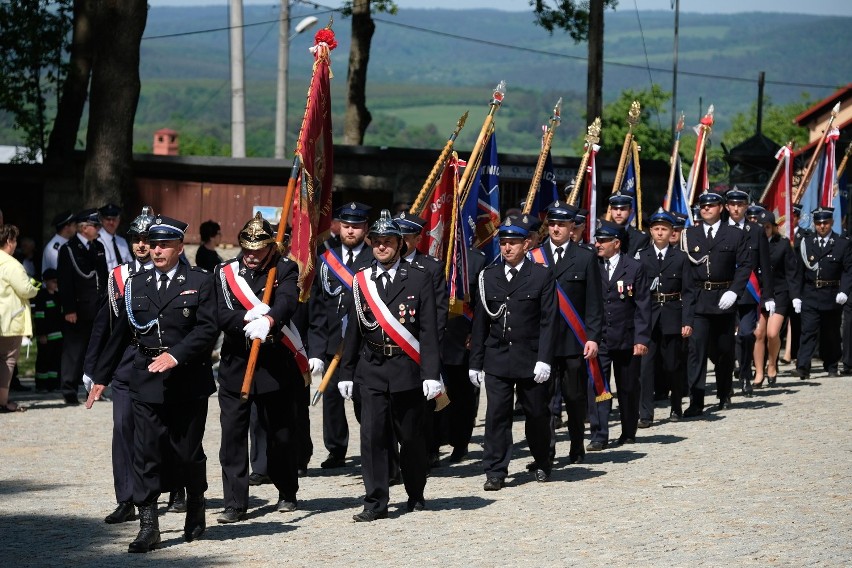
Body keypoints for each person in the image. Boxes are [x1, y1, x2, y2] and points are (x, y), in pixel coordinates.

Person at [88, 215, 218, 552]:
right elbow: (122, 333)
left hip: (187, 379)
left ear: (179, 247)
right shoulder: (136, 283)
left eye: (164, 244)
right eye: (153, 244)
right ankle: (149, 526)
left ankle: (196, 505)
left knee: (187, 452)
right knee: (145, 453)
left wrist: (176, 355)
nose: (156, 250)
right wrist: (101, 377)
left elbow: (207, 329)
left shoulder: (201, 281)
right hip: (146, 378)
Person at [338, 210, 441, 521]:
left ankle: (415, 492)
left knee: (410, 438)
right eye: (377, 242)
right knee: (372, 439)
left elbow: (429, 331)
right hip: (371, 369)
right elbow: (354, 329)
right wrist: (346, 371)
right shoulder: (361, 280)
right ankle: (375, 502)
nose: (381, 247)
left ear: (400, 245)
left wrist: (432, 374)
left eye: (388, 242)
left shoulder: (420, 279)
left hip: (406, 369)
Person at [213, 213, 305, 522]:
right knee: (232, 436)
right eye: (247, 250)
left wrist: (268, 319)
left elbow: (288, 301)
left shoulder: (285, 269)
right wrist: (245, 319)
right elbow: (219, 313)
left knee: (280, 435)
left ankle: (286, 489)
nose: (252, 256)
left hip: (274, 367)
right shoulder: (225, 273)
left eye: (258, 250)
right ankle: (235, 503)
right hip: (236, 365)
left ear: (270, 247)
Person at [469, 215, 556, 489]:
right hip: (497, 357)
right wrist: (476, 362)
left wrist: (544, 359)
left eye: (513, 243)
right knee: (496, 415)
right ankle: (495, 470)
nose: (507, 248)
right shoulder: (488, 276)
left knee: (537, 414)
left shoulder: (541, 275)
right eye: (503, 243)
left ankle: (542, 459)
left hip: (529, 358)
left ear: (527, 244)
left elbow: (548, 321)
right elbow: (481, 322)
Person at [83, 207, 157, 525]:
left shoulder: (174, 273)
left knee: (162, 431)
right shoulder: (119, 276)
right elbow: (105, 324)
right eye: (136, 240)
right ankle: (126, 498)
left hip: (159, 361)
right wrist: (92, 368)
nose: (141, 245)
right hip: (125, 362)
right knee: (123, 428)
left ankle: (177, 487)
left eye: (146, 239)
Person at [528, 200, 602, 465]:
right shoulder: (534, 256)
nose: (556, 228)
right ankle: (545, 452)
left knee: (574, 397)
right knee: (543, 400)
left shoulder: (585, 257)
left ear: (573, 227)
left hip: (574, 341)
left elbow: (594, 301)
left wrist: (593, 337)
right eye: (552, 224)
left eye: (562, 224)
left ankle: (577, 445)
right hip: (543, 343)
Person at [308, 202, 374, 469]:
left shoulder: (376, 258)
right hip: (334, 344)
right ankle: (336, 449)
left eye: (356, 226)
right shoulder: (326, 261)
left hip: (365, 346)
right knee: (332, 402)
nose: (350, 231)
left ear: (366, 229)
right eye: (346, 226)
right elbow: (318, 311)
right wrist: (316, 350)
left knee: (365, 400)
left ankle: (374, 446)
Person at [681, 190, 750, 415]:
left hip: (724, 299)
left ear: (721, 208)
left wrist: (734, 292)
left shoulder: (734, 234)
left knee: (724, 349)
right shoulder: (689, 234)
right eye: (702, 206)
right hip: (699, 300)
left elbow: (745, 266)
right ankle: (696, 400)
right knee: (696, 351)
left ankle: (724, 392)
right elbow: (687, 272)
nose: (706, 209)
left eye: (711, 206)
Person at [590, 220, 651, 446]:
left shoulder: (634, 267)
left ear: (616, 243)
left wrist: (642, 339)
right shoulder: (593, 264)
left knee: (628, 387)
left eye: (603, 240)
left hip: (627, 338)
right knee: (598, 386)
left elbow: (643, 306)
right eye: (597, 240)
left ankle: (628, 431)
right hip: (600, 338)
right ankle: (599, 435)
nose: (598, 244)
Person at [637, 209, 695, 424]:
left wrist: (687, 321)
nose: (660, 233)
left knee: (673, 366)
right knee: (645, 367)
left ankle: (676, 406)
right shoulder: (642, 257)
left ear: (672, 232)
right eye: (656, 229)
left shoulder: (680, 258)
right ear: (651, 231)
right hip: (648, 317)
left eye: (665, 229)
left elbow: (689, 292)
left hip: (672, 314)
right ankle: (646, 413)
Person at [724, 188, 774, 398]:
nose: (736, 208)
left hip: (748, 292)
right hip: (724, 293)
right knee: (725, 340)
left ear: (746, 207)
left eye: (740, 205)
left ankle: (745, 374)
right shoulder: (720, 229)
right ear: (727, 207)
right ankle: (724, 383)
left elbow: (765, 264)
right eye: (732, 205)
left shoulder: (756, 231)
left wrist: (768, 295)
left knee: (746, 335)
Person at [792, 207, 852, 380]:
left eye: (825, 223)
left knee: (831, 332)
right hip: (810, 292)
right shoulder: (807, 242)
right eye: (818, 223)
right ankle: (803, 367)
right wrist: (796, 295)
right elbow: (799, 272)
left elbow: (848, 271)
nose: (822, 226)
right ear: (814, 224)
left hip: (832, 293)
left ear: (831, 223)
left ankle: (832, 365)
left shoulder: (842, 243)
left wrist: (844, 291)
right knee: (808, 330)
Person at [57, 208, 108, 405]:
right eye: (95, 226)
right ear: (84, 227)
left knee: (95, 349)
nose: (98, 229)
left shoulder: (98, 247)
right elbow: (65, 281)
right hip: (78, 308)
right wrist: (69, 309)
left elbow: (102, 277)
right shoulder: (69, 248)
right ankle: (69, 389)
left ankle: (93, 387)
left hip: (96, 306)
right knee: (73, 350)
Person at [753, 211, 799, 387]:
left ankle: (772, 364)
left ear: (773, 227)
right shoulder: (752, 244)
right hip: (760, 293)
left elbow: (791, 273)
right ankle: (758, 371)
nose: (764, 230)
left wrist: (795, 296)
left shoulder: (783, 244)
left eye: (767, 227)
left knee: (772, 333)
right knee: (758, 333)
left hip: (779, 292)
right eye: (761, 227)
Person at [0, 224, 40, 413]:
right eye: (14, 241)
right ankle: (3, 401)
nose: (15, 245)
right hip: (9, 321)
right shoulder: (12, 264)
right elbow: (26, 289)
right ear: (9, 241)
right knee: (7, 361)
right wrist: (35, 288)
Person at [31, 268, 63, 392]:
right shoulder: (41, 296)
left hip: (57, 336)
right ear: (46, 282)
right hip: (46, 336)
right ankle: (41, 385)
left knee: (55, 360)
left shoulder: (57, 296)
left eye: (57, 281)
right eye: (53, 281)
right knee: (43, 360)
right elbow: (39, 317)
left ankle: (53, 384)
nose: (56, 284)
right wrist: (41, 334)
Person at [608, 191, 650, 257]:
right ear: (610, 211)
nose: (618, 213)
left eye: (622, 209)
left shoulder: (640, 238)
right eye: (615, 209)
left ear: (631, 211)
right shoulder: (603, 235)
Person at [98, 203, 131, 270]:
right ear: (102, 220)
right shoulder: (97, 240)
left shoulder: (122, 242)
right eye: (108, 219)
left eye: (114, 219)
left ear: (118, 220)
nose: (111, 222)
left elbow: (131, 265)